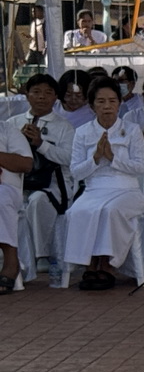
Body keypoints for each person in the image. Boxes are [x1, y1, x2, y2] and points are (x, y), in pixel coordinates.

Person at [63, 76, 144, 289]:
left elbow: (140, 167)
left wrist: (113, 157)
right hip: (94, 189)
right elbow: (76, 172)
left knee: (110, 211)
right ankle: (89, 264)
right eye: (101, 101)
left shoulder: (132, 130)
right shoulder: (82, 132)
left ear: (119, 103)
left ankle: (107, 265)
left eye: (112, 101)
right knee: (78, 211)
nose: (107, 106)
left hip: (126, 189)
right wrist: (94, 159)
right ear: (91, 105)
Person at [8, 74, 74, 277]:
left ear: (56, 97)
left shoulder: (64, 127)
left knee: (37, 201)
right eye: (36, 92)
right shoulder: (13, 123)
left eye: (47, 93)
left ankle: (40, 255)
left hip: (53, 184)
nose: (41, 97)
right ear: (27, 95)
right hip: (19, 182)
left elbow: (69, 158)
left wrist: (41, 144)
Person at [0, 118, 31, 293]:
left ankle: (11, 262)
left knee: (0, 199)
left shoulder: (7, 130)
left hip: (6, 188)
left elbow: (26, 164)